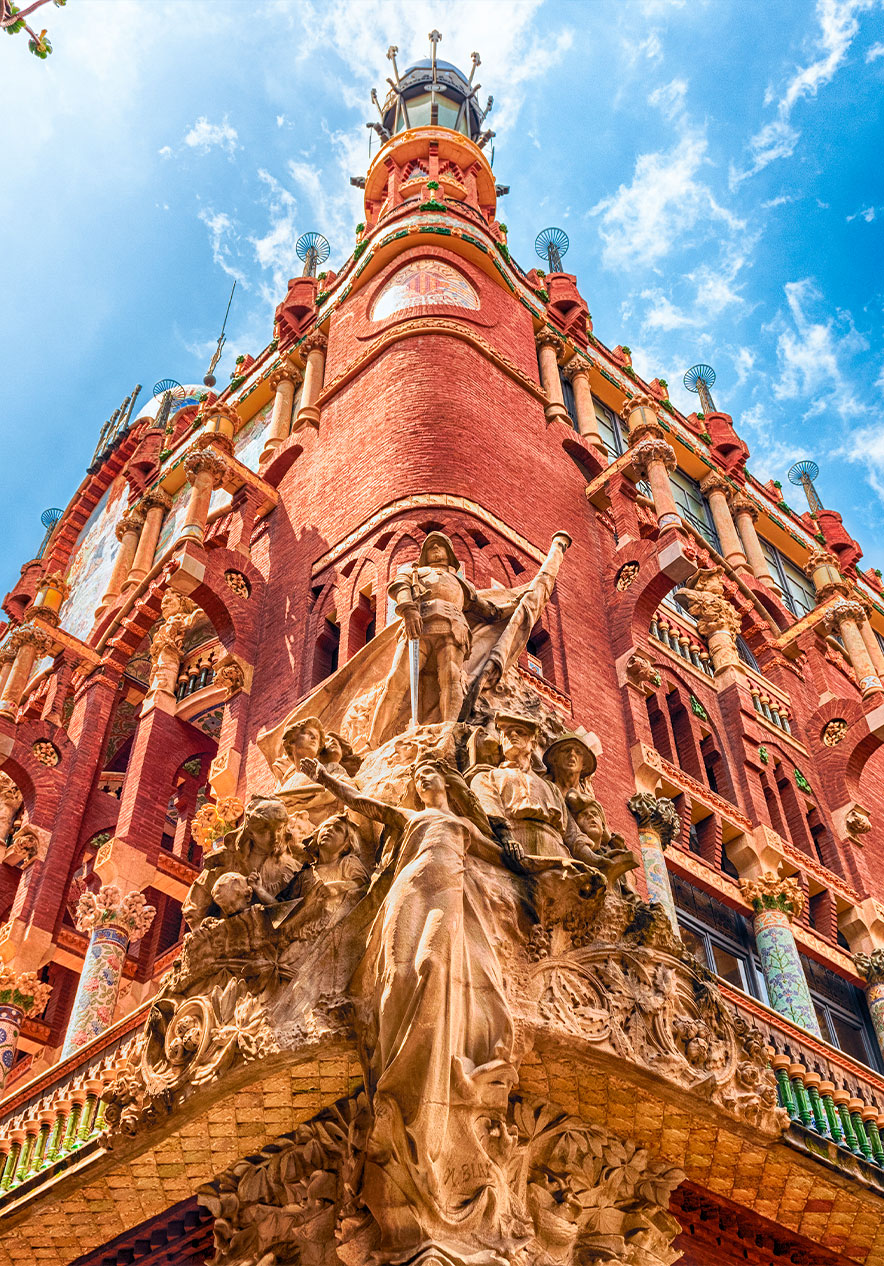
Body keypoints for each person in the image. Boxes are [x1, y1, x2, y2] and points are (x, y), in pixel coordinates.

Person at [298, 753, 522, 1251]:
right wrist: (322, 776)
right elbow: (361, 801)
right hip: (409, 886)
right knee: (397, 973)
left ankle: (428, 1068)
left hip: (448, 888)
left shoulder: (462, 824)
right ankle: (389, 1059)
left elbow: (508, 857)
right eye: (418, 778)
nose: (423, 782)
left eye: (431, 776)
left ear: (446, 782)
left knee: (431, 967)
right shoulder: (413, 818)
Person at [368, 533, 503, 747]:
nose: (436, 551)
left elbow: (483, 607)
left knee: (451, 677)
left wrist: (511, 607)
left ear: (448, 553)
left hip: (454, 627)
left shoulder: (461, 583)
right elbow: (399, 587)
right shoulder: (415, 573)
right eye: (431, 548)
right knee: (397, 679)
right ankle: (372, 741)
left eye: (440, 547)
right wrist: (408, 608)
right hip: (419, 624)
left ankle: (449, 732)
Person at [469, 713, 598, 870]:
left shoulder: (551, 789)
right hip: (518, 852)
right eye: (507, 734)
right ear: (502, 741)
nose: (513, 735)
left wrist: (597, 861)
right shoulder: (486, 777)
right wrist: (507, 838)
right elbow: (491, 812)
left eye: (520, 732)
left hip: (560, 859)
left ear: (533, 742)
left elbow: (572, 836)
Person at [182, 795, 298, 929]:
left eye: (279, 830)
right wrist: (204, 934)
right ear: (251, 833)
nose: (274, 838)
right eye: (265, 832)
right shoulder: (227, 860)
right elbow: (193, 908)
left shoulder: (289, 866)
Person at [543, 734, 637, 882]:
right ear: (554, 758)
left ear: (584, 765)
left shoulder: (587, 796)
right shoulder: (547, 788)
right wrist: (596, 859)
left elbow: (603, 834)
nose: (572, 755)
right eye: (566, 750)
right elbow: (571, 831)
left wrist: (613, 842)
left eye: (578, 752)